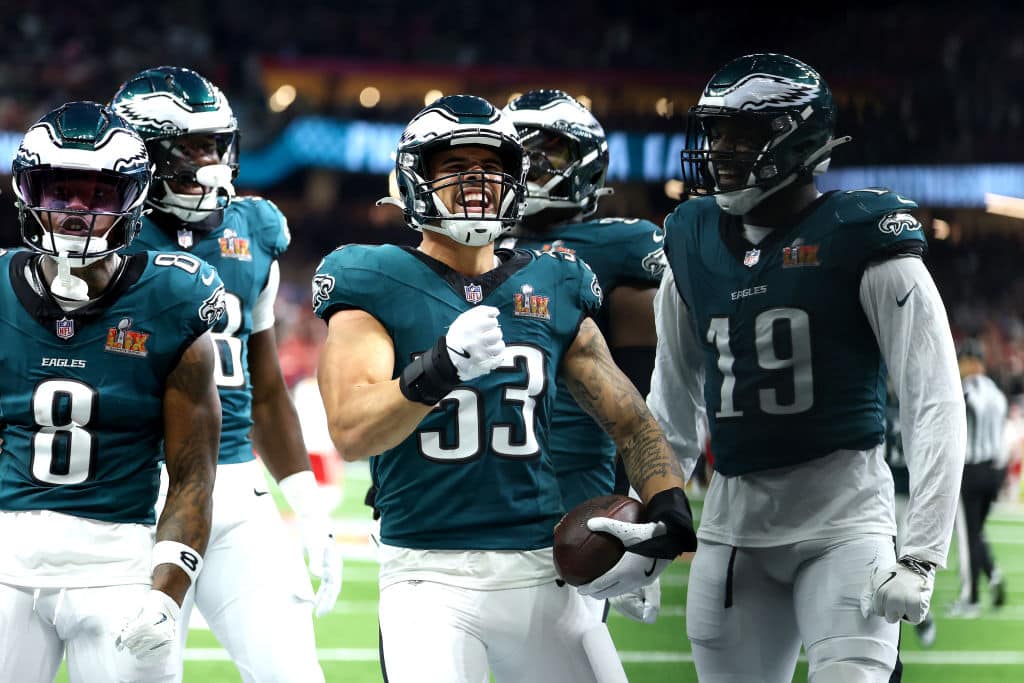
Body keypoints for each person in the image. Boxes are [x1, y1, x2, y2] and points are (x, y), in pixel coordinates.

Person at [314, 94, 697, 683]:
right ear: (416, 178)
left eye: (492, 168)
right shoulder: (372, 276)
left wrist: (669, 511)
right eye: (455, 167)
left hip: (540, 564)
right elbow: (351, 429)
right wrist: (439, 368)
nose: (477, 184)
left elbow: (629, 419)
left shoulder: (555, 278)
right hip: (427, 572)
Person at [649, 53, 967, 682]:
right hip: (733, 525)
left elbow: (934, 398)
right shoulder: (689, 238)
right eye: (715, 131)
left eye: (743, 132)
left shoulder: (863, 236)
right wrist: (652, 513)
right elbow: (673, 406)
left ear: (798, 138)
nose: (721, 149)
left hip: (843, 522)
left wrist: (924, 553)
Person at [111, 67, 339, 683]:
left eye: (216, 144)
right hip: (134, 489)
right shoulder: (104, 239)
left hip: (236, 487)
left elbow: (265, 390)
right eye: (192, 147)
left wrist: (305, 503)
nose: (210, 161)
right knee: (142, 674)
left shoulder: (253, 229)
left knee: (294, 673)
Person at [0, 102, 223, 682]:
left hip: (117, 565)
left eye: (97, 195)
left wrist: (166, 593)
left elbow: (193, 475)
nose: (75, 212)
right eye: (58, 191)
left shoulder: (173, 297)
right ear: (28, 192)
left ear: (131, 200)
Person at [500, 89, 666, 625]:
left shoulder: (620, 248)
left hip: (574, 491)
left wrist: (635, 507)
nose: (532, 166)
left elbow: (643, 401)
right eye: (519, 151)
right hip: (474, 486)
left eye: (549, 151)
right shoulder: (469, 244)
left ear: (586, 163)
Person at [950, 339, 1008, 617]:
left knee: (968, 535)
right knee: (976, 532)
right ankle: (993, 572)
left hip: (969, 470)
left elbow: (960, 413)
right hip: (993, 471)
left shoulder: (964, 390)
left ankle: (971, 597)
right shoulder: (996, 391)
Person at [883, 385, 936, 646]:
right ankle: (919, 616)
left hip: (899, 495)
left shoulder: (889, 410)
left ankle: (921, 614)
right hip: (890, 495)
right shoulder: (914, 413)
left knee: (904, 562)